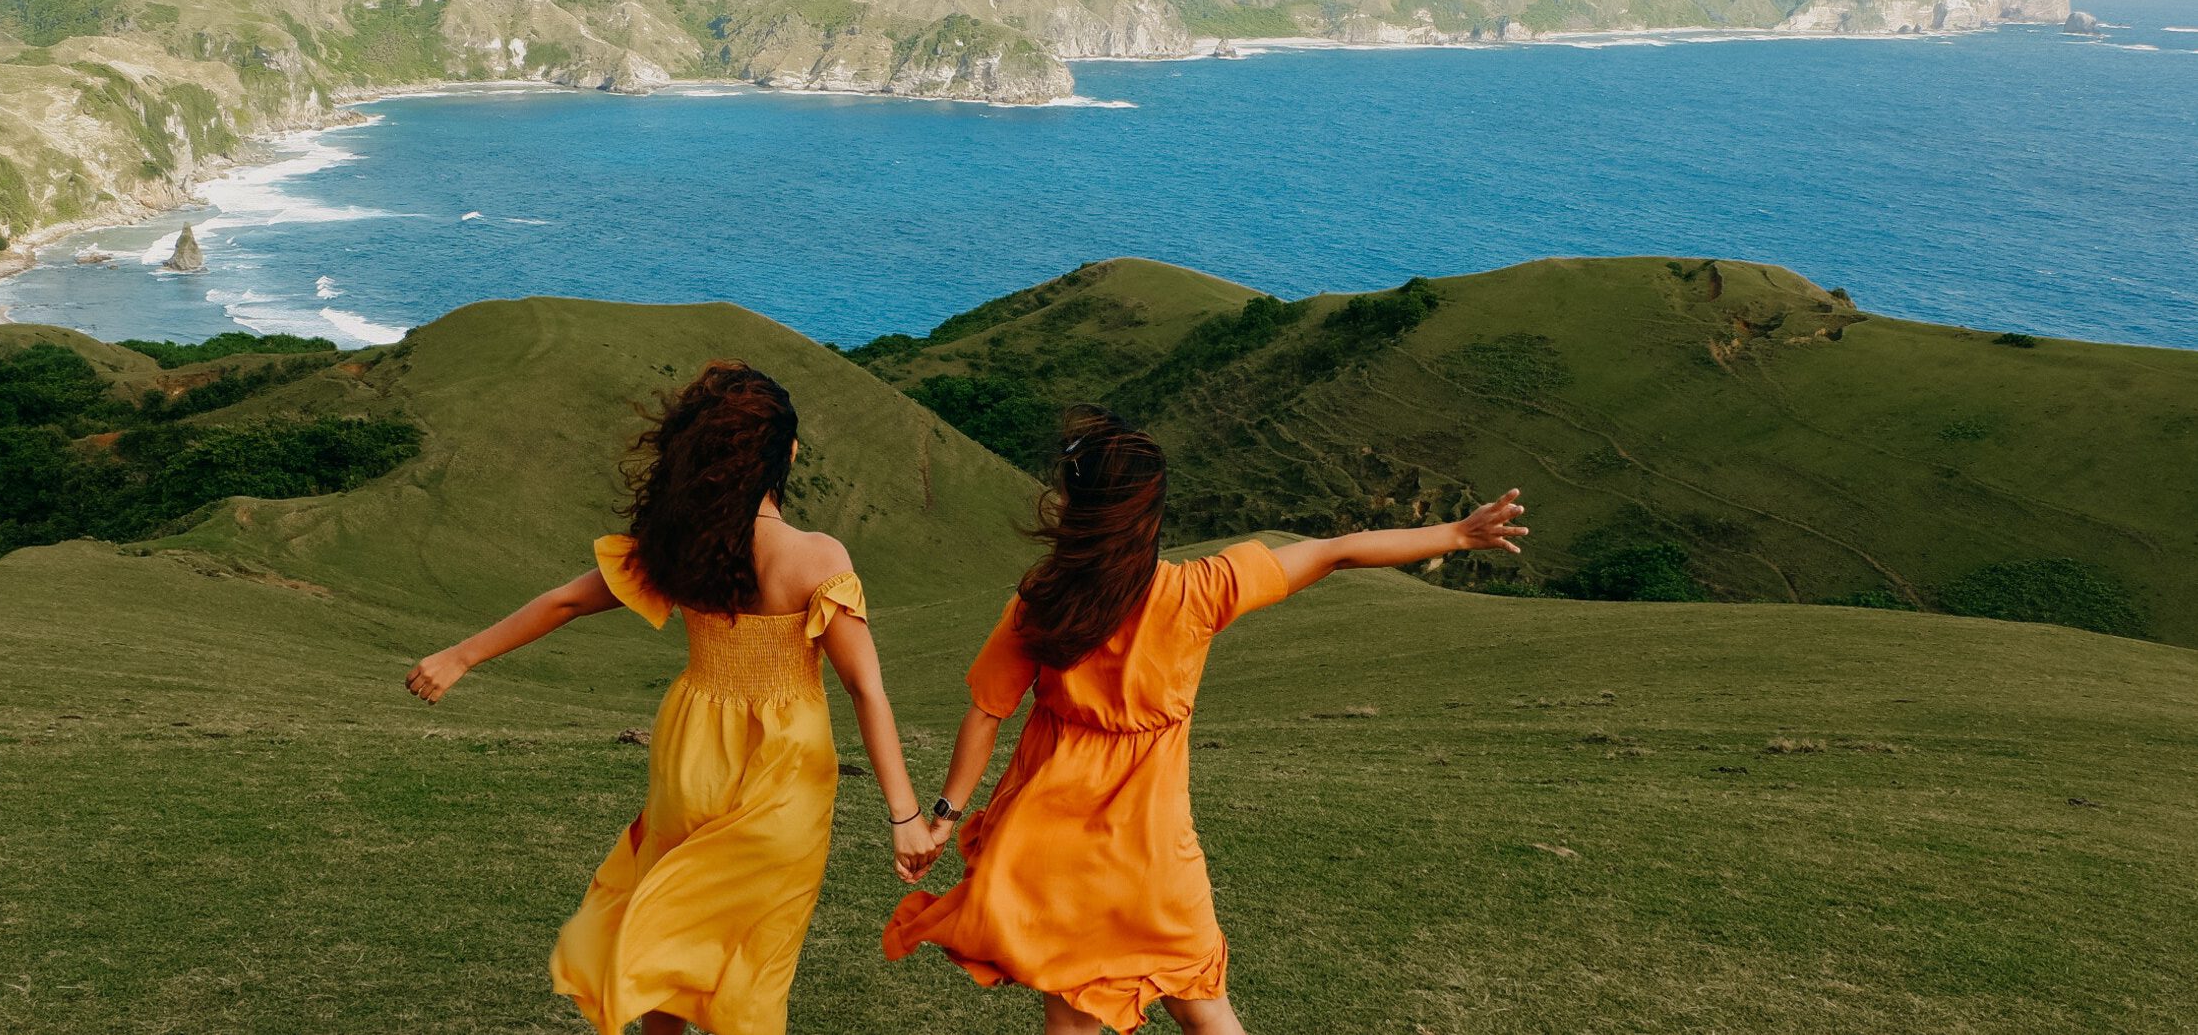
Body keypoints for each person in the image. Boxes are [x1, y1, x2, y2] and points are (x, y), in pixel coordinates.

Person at [883, 405, 1529, 1033]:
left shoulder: (1042, 602)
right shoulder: (1197, 592)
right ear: (1148, 520)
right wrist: (1456, 534)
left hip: (1058, 859)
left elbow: (985, 714)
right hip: (1154, 860)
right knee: (1204, 1007)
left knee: (1071, 1017)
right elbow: (1334, 551)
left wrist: (945, 814)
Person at [406, 361, 941, 1035]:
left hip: (690, 752)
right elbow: (866, 686)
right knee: (756, 955)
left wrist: (459, 656)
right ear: (786, 453)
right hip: (783, 773)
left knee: (672, 921)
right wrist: (904, 814)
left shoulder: (680, 548)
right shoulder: (817, 557)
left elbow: (566, 600)